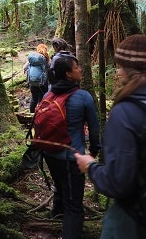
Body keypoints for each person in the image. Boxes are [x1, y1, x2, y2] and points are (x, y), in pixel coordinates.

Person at [75, 34, 146, 239]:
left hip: (133, 217)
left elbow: (118, 183)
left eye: (120, 66)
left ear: (127, 69)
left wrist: (91, 166)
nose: (118, 71)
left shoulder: (125, 112)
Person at [44, 53, 101, 239]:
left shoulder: (48, 94)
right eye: (77, 67)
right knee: (74, 205)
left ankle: (55, 219)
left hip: (49, 154)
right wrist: (93, 151)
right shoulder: (83, 97)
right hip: (71, 158)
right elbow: (94, 128)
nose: (80, 69)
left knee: (60, 187)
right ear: (69, 74)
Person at [23, 43, 50, 112]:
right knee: (42, 99)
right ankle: (40, 115)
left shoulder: (32, 58)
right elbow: (49, 68)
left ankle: (31, 114)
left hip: (32, 82)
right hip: (43, 82)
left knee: (34, 99)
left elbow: (24, 67)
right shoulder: (46, 58)